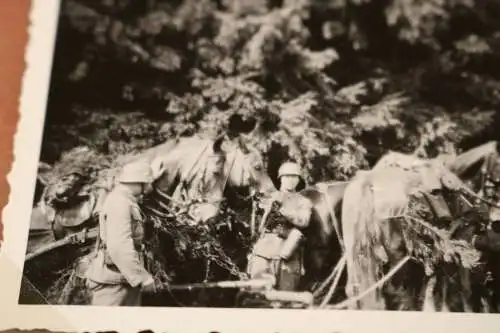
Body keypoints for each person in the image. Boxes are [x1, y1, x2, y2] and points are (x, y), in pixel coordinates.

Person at [85, 160, 157, 306]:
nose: (149, 188)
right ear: (139, 182)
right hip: (113, 285)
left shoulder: (125, 200)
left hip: (122, 279)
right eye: (148, 183)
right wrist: (143, 278)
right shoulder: (120, 202)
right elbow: (119, 245)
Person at [247, 161, 311, 292]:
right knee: (257, 296)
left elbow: (304, 221)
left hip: (289, 254)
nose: (291, 180)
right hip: (263, 253)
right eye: (287, 176)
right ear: (280, 178)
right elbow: (255, 222)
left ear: (299, 179)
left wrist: (284, 210)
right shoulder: (268, 196)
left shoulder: (303, 201)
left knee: (286, 298)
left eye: (294, 176)